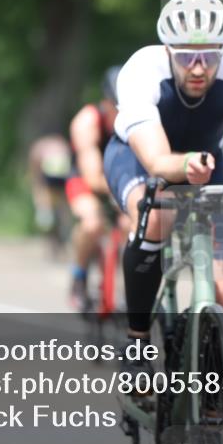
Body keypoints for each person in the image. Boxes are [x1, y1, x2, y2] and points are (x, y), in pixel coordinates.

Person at [105, 0, 223, 380]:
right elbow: (159, 161)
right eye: (186, 57)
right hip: (139, 157)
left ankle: (214, 391)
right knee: (158, 212)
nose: (198, 68)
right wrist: (182, 166)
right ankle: (138, 338)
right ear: (167, 50)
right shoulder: (141, 69)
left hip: (206, 160)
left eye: (210, 57)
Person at [64, 66, 128, 309]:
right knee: (92, 224)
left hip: (119, 178)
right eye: (117, 107)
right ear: (106, 101)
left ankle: (127, 288)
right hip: (85, 179)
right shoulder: (87, 121)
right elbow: (92, 176)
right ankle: (79, 275)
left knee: (131, 226)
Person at [27, 133, 74, 239]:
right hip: (62, 174)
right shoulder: (60, 144)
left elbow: (36, 174)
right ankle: (62, 222)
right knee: (63, 200)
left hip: (51, 175)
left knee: (43, 194)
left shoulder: (39, 147)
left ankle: (45, 215)